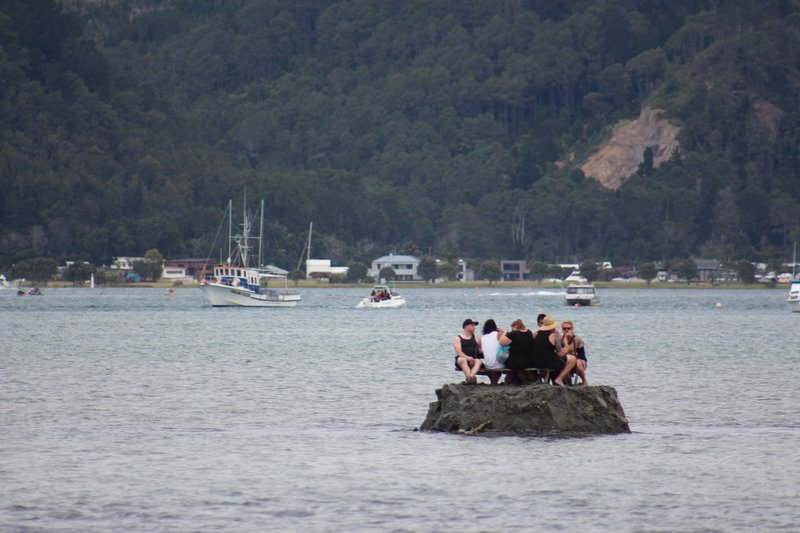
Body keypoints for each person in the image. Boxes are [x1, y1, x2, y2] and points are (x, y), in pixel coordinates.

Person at [532, 315, 576, 386]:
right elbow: (560, 353)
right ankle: (559, 379)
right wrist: (566, 346)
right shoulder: (553, 335)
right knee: (572, 359)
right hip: (548, 363)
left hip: (536, 362)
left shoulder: (536, 334)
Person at [498, 319, 536, 384]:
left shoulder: (513, 334)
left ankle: (514, 382)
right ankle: (525, 381)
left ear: (515, 326)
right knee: (519, 369)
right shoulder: (529, 333)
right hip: (528, 361)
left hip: (514, 362)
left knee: (511, 366)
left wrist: (505, 332)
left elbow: (501, 341)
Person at [453, 318, 482, 384]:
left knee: (478, 361)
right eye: (472, 326)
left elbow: (480, 349)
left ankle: (470, 377)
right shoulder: (458, 338)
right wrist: (467, 358)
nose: (474, 328)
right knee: (462, 359)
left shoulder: (477, 337)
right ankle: (470, 378)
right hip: (463, 360)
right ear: (466, 326)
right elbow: (458, 351)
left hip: (473, 360)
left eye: (474, 326)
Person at [561, 320, 588, 386]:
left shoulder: (577, 339)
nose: (567, 330)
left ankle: (584, 381)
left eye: (569, 328)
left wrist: (565, 340)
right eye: (564, 328)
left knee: (577, 363)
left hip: (580, 360)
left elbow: (567, 350)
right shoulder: (560, 338)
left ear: (572, 329)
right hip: (567, 359)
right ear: (562, 329)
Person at [478, 319, 505, 385]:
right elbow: (508, 338)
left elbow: (481, 351)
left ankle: (493, 381)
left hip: (488, 364)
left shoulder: (483, 338)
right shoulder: (499, 334)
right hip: (499, 364)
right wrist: (503, 331)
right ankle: (495, 382)